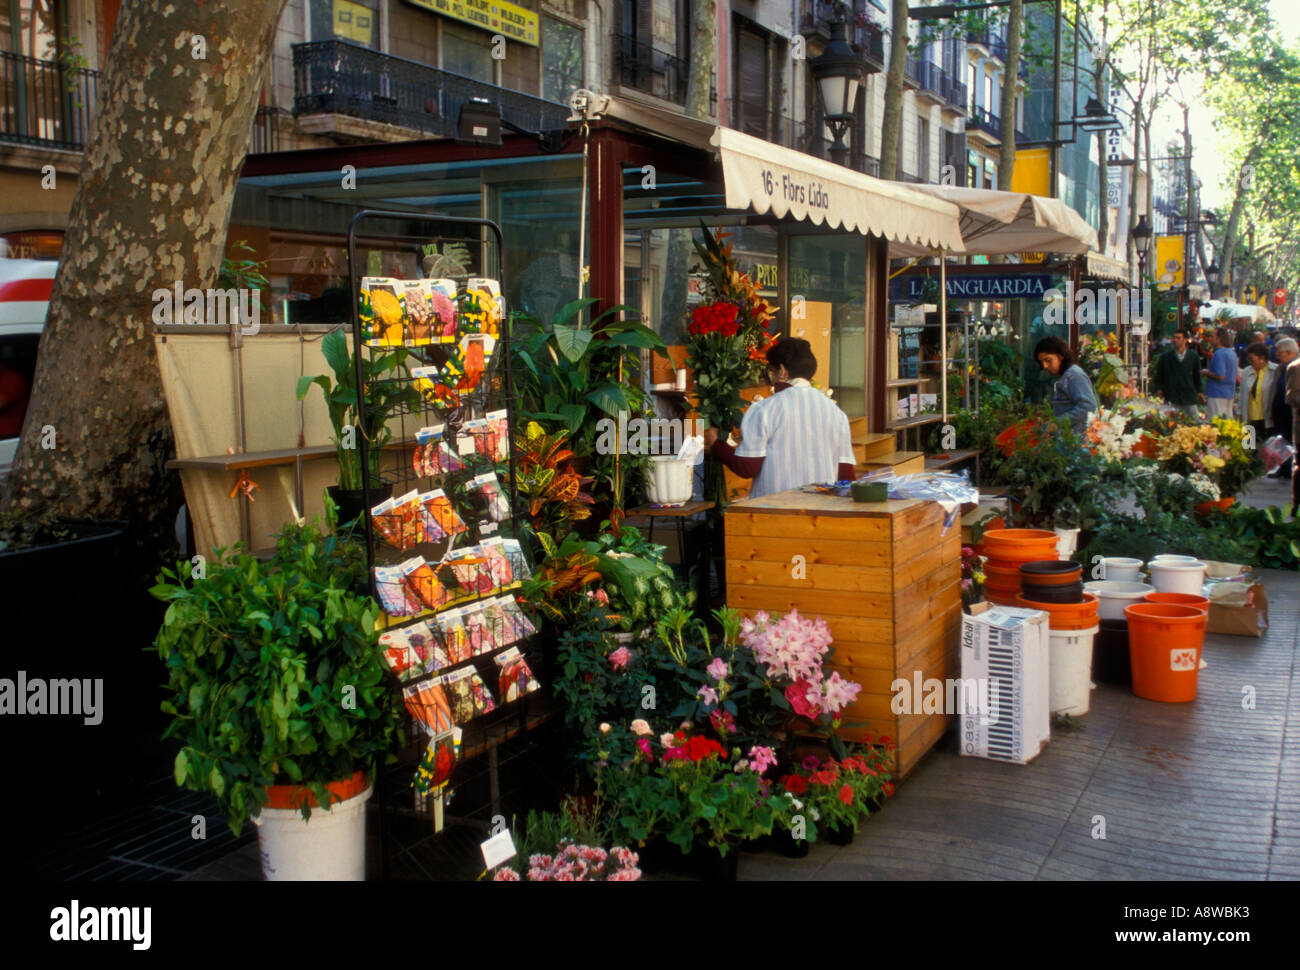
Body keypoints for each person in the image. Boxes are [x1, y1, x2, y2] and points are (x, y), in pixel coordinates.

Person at [703, 337, 856, 499]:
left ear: (782, 371)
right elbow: (846, 473)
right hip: (821, 510)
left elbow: (747, 467)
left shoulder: (764, 409)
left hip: (775, 509)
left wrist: (715, 443)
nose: (771, 379)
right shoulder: (835, 412)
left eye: (771, 372)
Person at [1034, 335, 1098, 434]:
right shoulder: (1067, 375)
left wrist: (1058, 422)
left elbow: (1088, 406)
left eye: (1048, 360)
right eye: (1041, 362)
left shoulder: (1074, 375)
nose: (1045, 366)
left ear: (1061, 356)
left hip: (1076, 442)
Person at [1154, 329, 1203, 419]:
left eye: (1178, 338)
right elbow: (1159, 375)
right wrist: (1159, 389)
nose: (1175, 340)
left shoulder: (1193, 356)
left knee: (1195, 422)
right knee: (1170, 423)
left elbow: (1197, 375)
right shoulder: (1166, 357)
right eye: (1174, 338)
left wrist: (1199, 391)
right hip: (1172, 396)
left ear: (1185, 340)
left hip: (1189, 396)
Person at [1237, 340, 1279, 446]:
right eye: (1249, 359)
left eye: (1252, 360)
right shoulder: (1247, 371)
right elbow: (1242, 394)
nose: (1250, 362)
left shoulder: (1275, 371)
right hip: (1249, 418)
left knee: (1265, 452)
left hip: (1266, 419)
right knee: (1248, 448)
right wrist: (1239, 413)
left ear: (1263, 358)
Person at [1270, 337, 1297, 479]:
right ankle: (1283, 468)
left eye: (1279, 353)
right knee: (1282, 439)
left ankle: (1291, 468)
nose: (1277, 355)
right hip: (1280, 408)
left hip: (1292, 410)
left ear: (1289, 352)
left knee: (1292, 440)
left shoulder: (1296, 366)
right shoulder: (1280, 367)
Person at [1204, 327, 1240, 420]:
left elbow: (1220, 376)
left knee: (1216, 423)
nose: (1210, 339)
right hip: (1229, 393)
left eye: (1212, 336)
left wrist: (1206, 373)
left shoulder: (1219, 354)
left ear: (1219, 338)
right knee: (1227, 423)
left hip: (1217, 394)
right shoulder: (1232, 353)